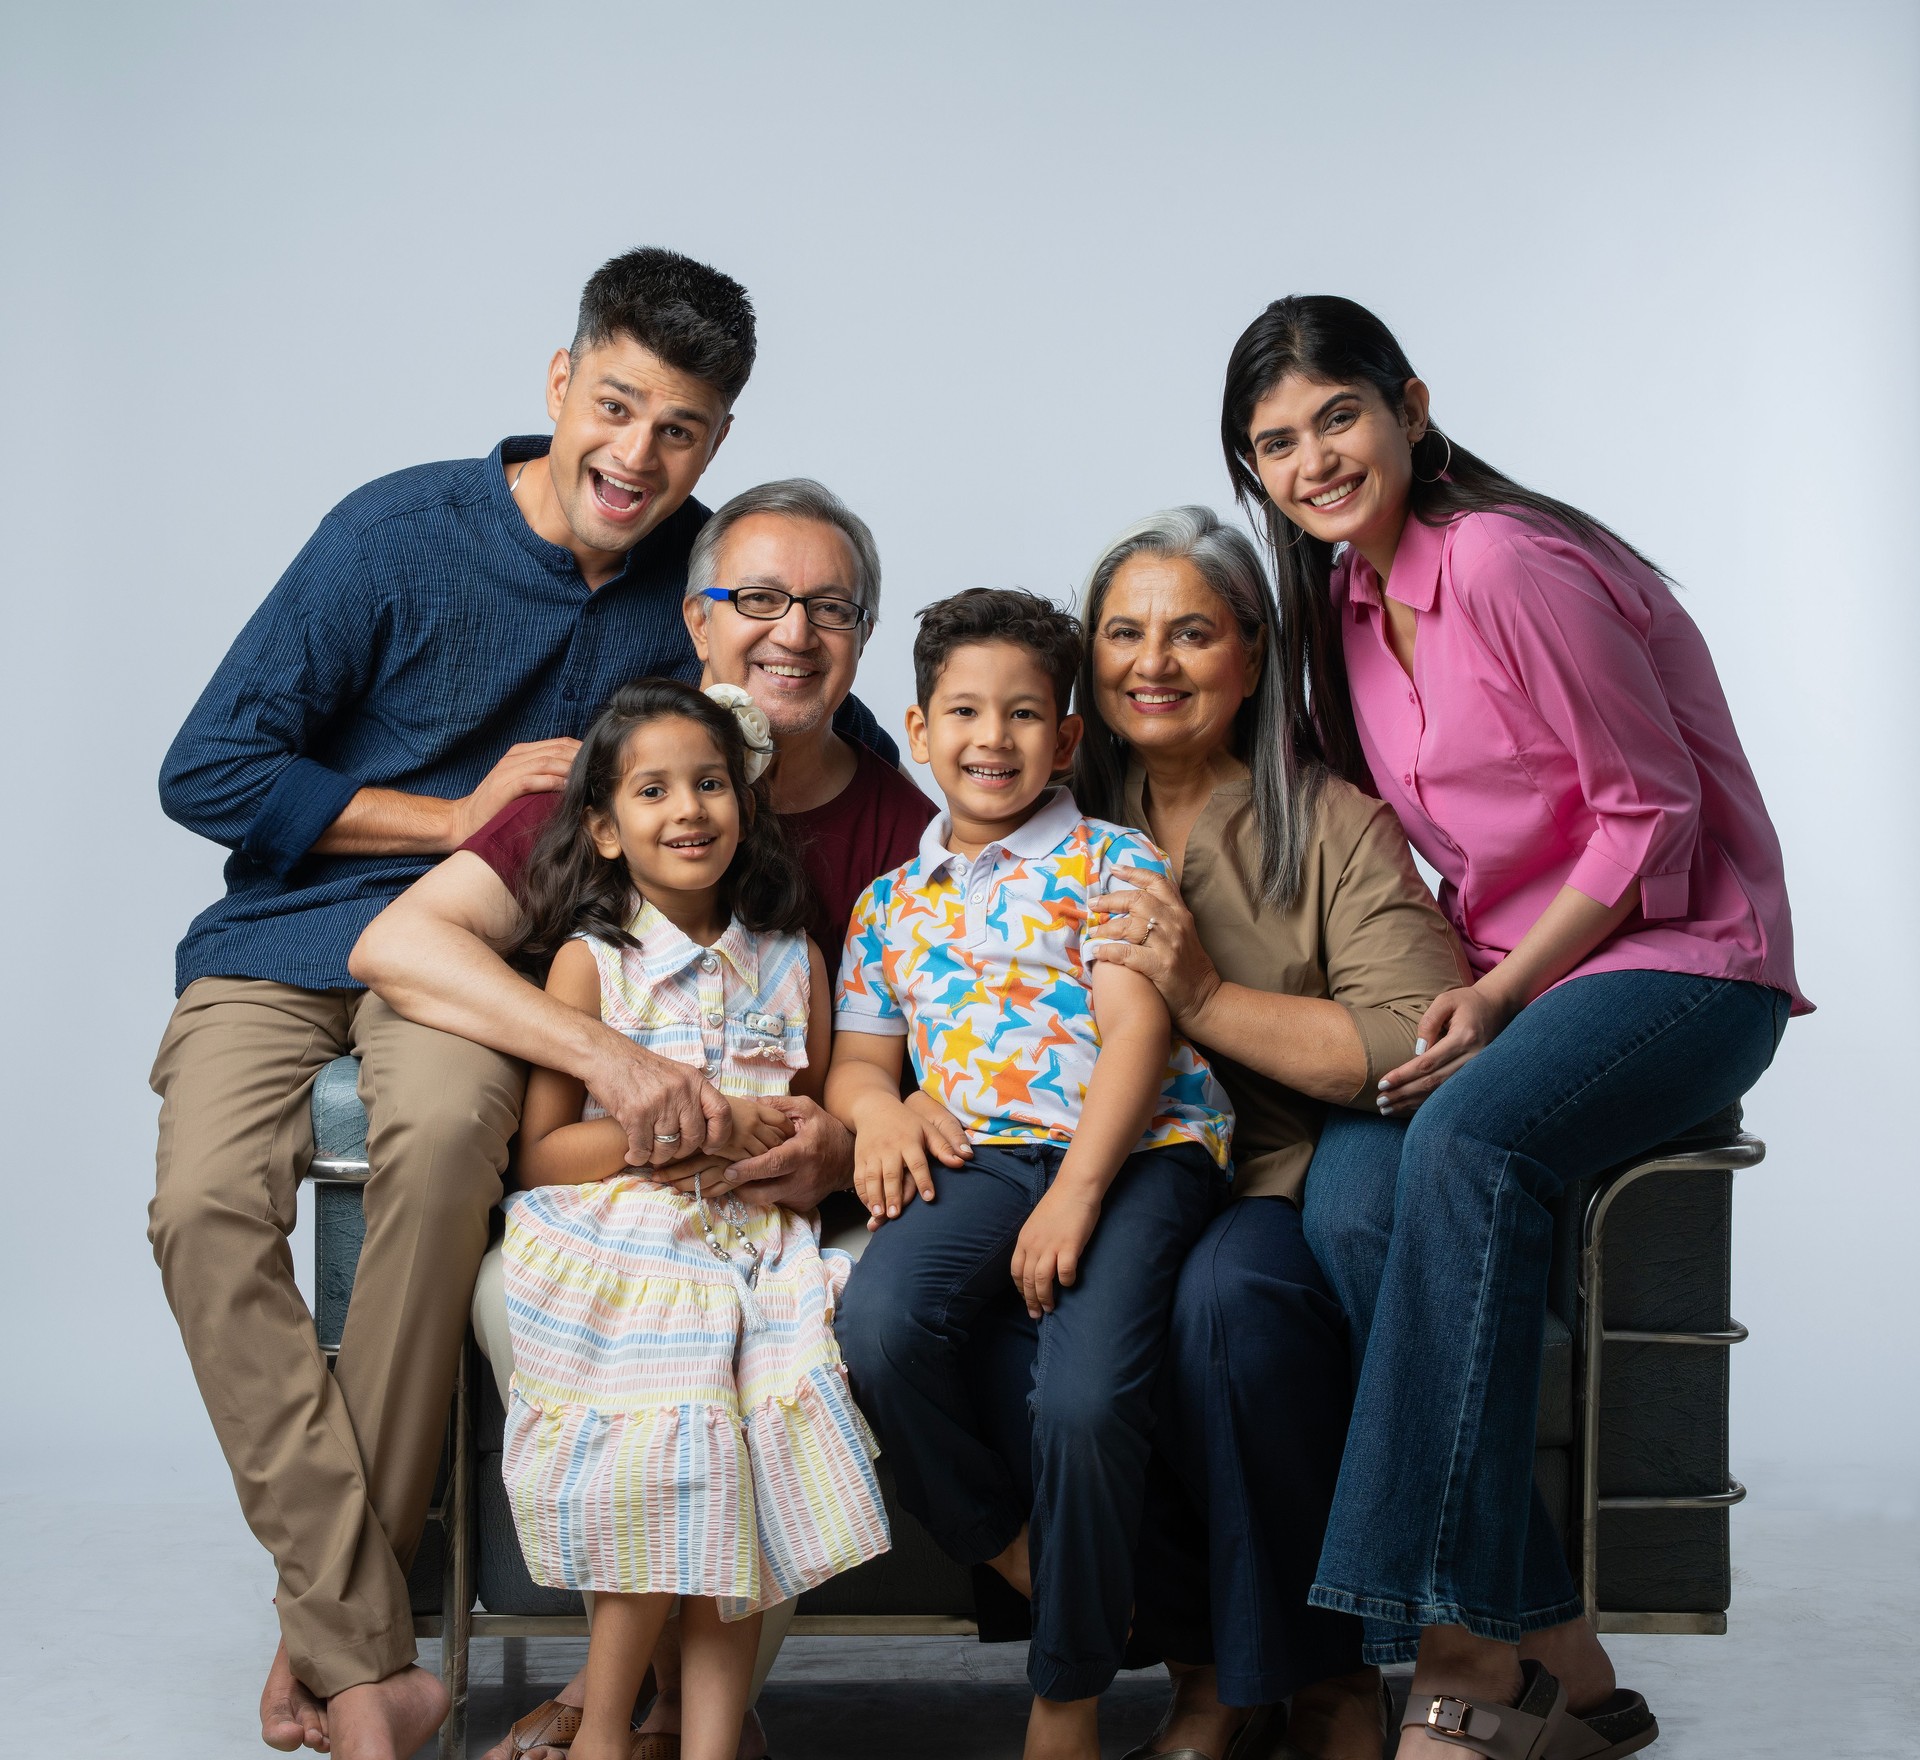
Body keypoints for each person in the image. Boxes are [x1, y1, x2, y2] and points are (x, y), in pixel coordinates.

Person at [149, 246, 861, 1760]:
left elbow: (799, 704)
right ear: (559, 384)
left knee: (447, 1154)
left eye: (679, 431)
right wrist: (449, 812)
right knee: (202, 1209)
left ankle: (348, 1651)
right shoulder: (397, 531)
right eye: (615, 407)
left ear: (714, 445)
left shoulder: (695, 588)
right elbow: (205, 772)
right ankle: (351, 1637)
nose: (635, 455)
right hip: (286, 938)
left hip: (473, 979)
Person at [1212, 295, 1805, 1759]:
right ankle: (1560, 1659)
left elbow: (1650, 817)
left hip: (1681, 962)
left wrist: (1494, 993)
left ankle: (1438, 1645)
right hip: (1510, 980)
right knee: (1352, 1201)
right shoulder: (1341, 614)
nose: (1314, 460)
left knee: (1466, 1142)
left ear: (1409, 404)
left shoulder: (1508, 562)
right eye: (1275, 444)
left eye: (1337, 417)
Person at [351, 477, 934, 1760]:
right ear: (696, 617)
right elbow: (404, 949)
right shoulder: (601, 824)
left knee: (775, 1362)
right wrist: (635, 1083)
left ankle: (661, 1721)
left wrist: (835, 1136)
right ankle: (609, 1711)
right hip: (612, 1229)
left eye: (829, 606)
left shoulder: (889, 841)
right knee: (675, 1382)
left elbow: (878, 1062)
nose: (792, 630)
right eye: (758, 599)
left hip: (773, 1231)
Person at [1056, 507, 1468, 1760]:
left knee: (1226, 1308)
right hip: (1086, 1174)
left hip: (1263, 1182)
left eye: (1192, 632)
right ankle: (1206, 1671)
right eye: (1124, 632)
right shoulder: (1048, 807)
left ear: (1253, 652)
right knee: (1054, 1321)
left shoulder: (1331, 819)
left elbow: (1414, 1037)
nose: (1154, 663)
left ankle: (1327, 1674)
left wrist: (1206, 998)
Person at [829, 589, 1235, 1760]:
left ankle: (1065, 1694)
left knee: (1083, 1397)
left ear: (1065, 740)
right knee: (885, 1324)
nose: (990, 738)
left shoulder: (1112, 857)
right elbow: (859, 1057)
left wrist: (1080, 1189)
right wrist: (881, 1108)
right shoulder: (890, 904)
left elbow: (1139, 1033)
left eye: (1023, 715)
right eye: (963, 710)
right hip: (979, 1156)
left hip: (1135, 1148)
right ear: (917, 726)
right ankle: (1015, 1545)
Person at [495, 679, 890, 1760]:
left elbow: (814, 1124)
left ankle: (710, 1742)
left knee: (749, 1454)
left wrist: (789, 1147)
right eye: (654, 789)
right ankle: (605, 1729)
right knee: (675, 1440)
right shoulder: (593, 962)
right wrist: (694, 1129)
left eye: (711, 783)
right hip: (623, 1240)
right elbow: (542, 1152)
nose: (688, 810)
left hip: (753, 1246)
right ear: (603, 828)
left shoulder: (795, 959)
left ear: (747, 804)